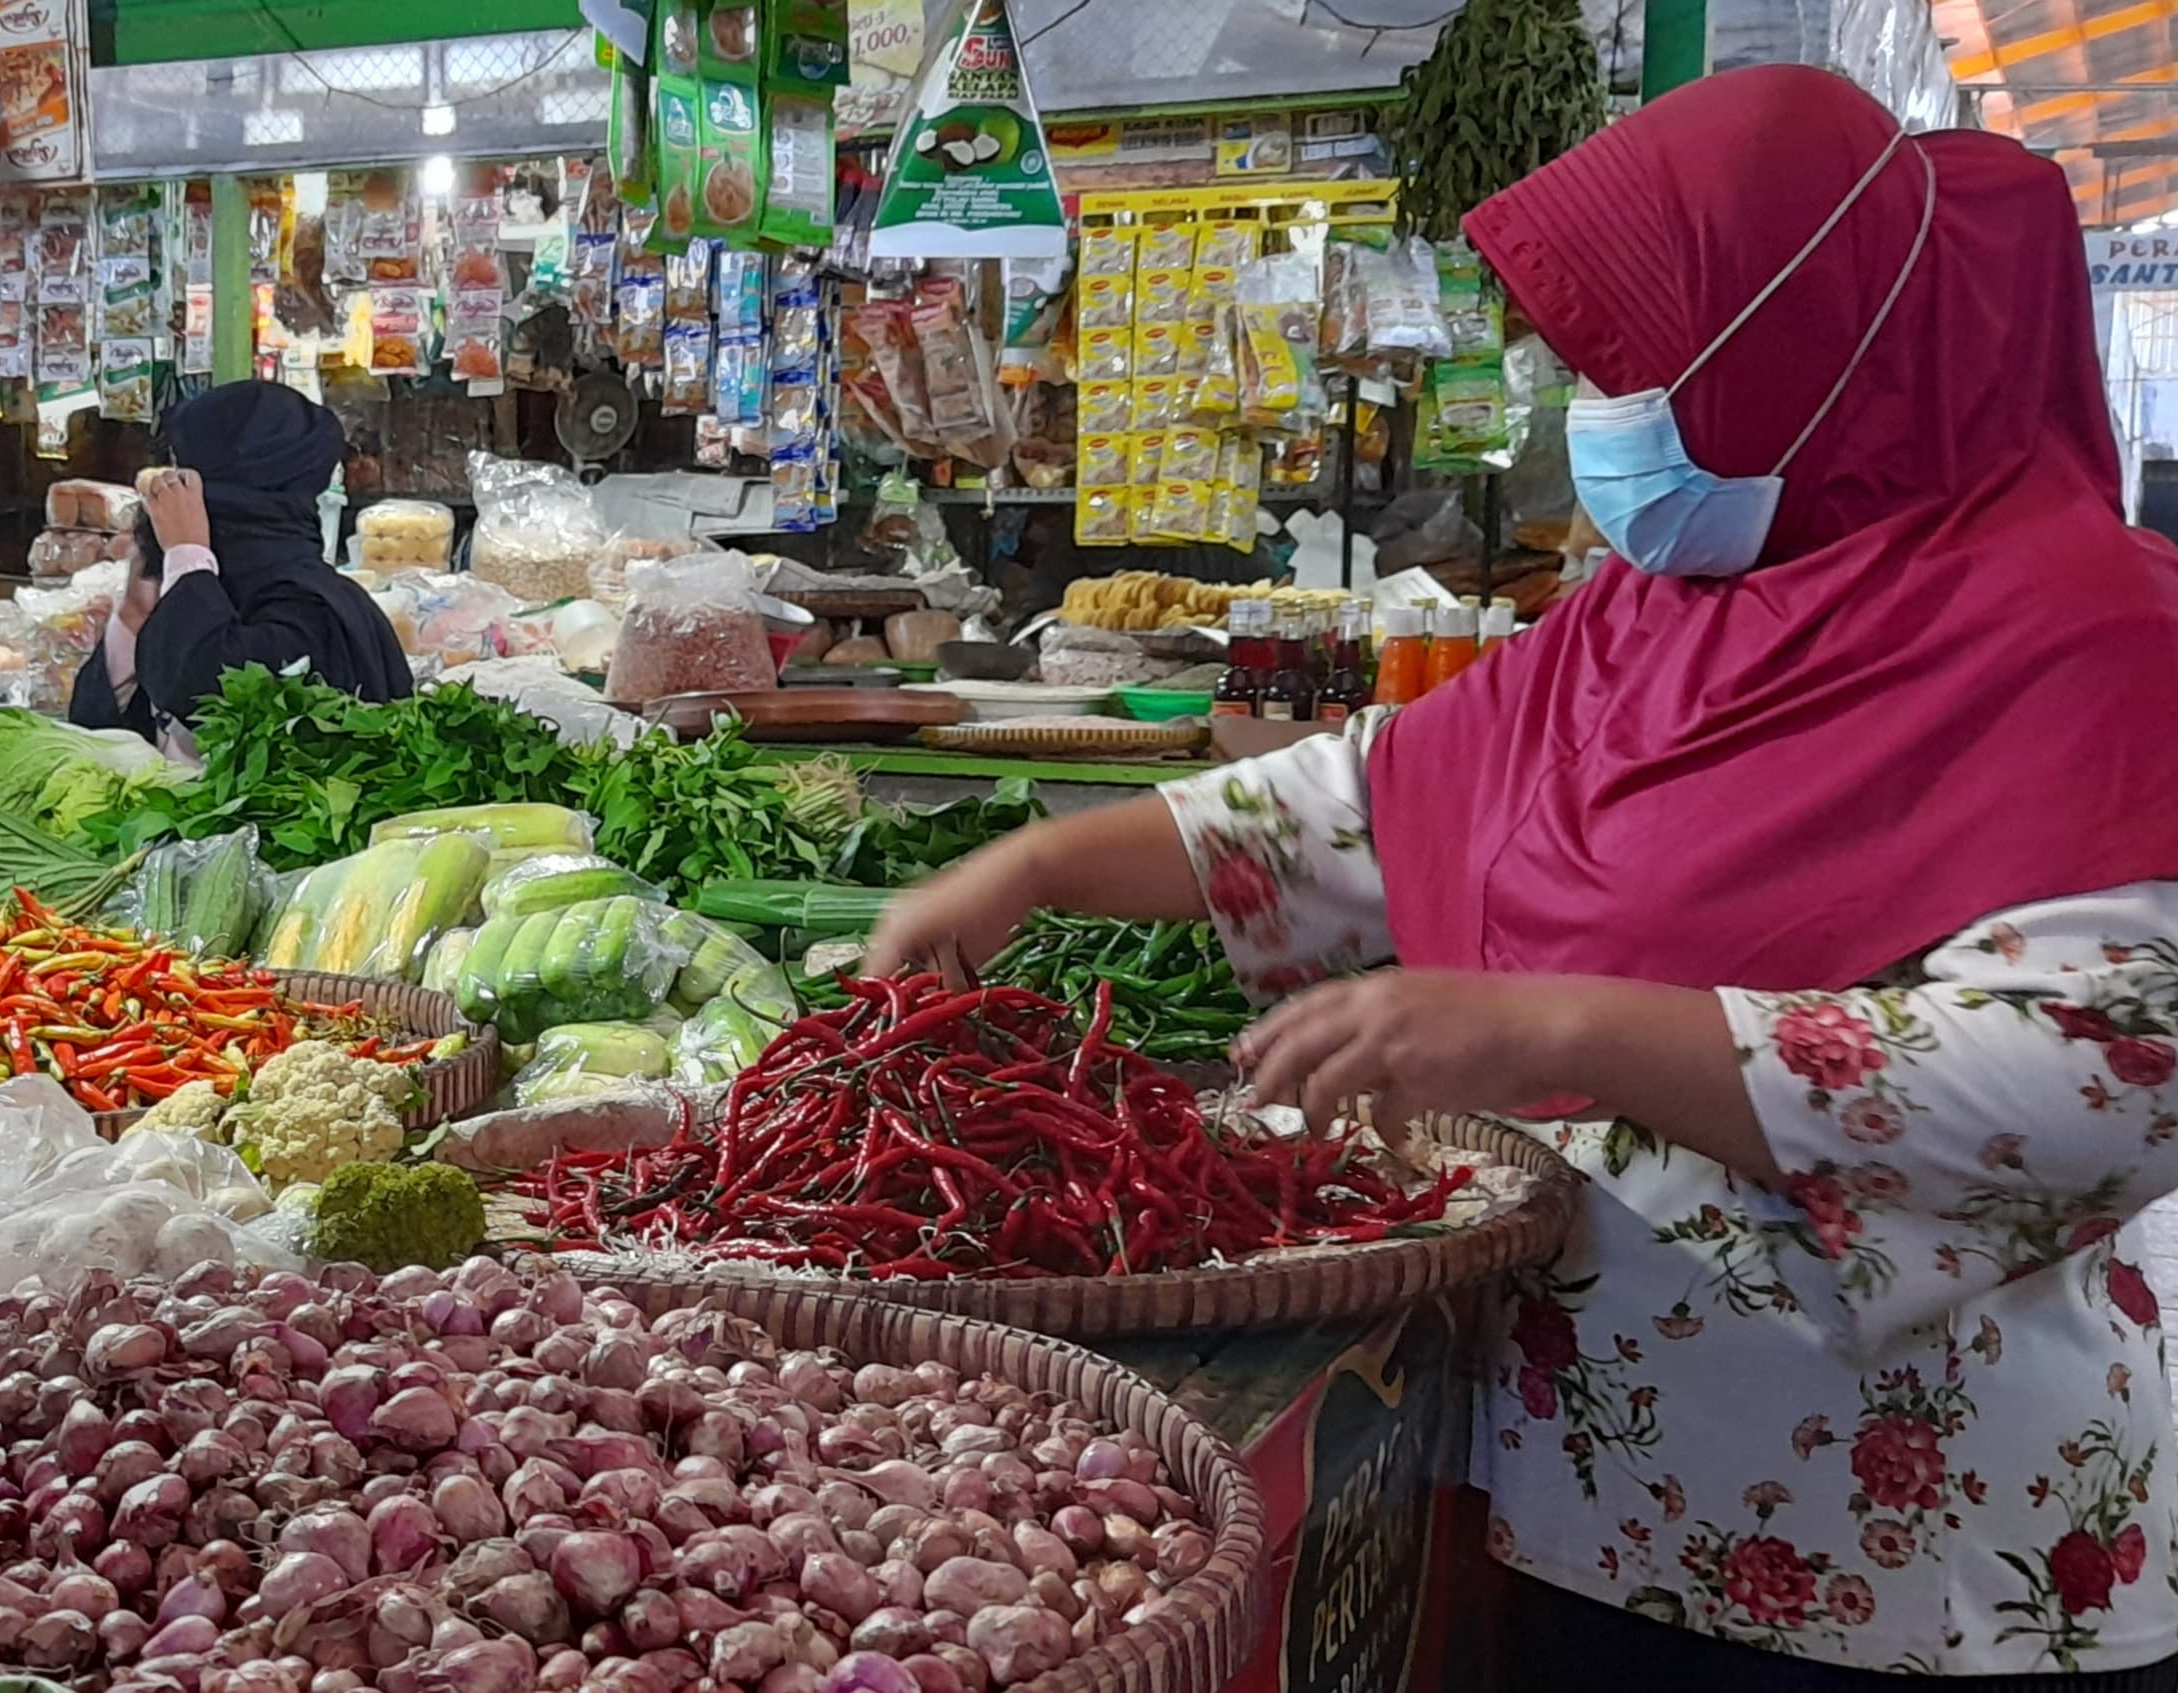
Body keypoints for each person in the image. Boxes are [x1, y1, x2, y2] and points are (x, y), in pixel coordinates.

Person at [869, 66, 2178, 1689]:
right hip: (1572, 1502)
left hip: (1908, 1567)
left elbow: (2100, 1072)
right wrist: (1034, 864)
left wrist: (1555, 1028)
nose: (1600, 416)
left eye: (1636, 372)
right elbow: (1372, 799)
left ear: (1804, 348)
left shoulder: (2091, 636)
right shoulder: (1662, 608)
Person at [71, 380, 411, 753]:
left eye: (184, 477)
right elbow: (96, 733)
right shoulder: (196, 592)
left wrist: (188, 556)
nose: (172, 496)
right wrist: (133, 616)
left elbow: (206, 695)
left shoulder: (310, 608)